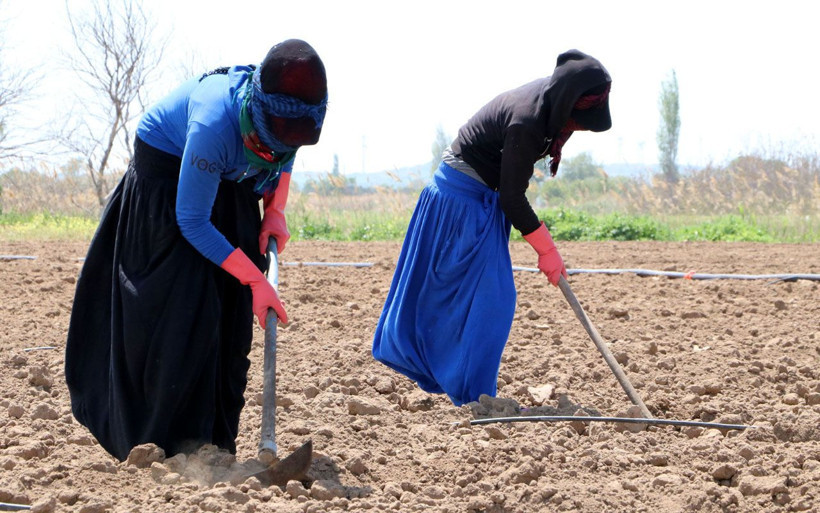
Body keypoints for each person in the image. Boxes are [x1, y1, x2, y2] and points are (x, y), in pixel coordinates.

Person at [65, 39, 328, 461]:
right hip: (168, 181)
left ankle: (213, 448)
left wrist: (275, 210)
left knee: (230, 315)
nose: (286, 145)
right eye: (277, 135)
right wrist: (256, 280)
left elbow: (284, 154)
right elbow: (191, 220)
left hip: (235, 178)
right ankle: (163, 449)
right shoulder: (213, 122)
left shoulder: (287, 123)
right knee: (188, 312)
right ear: (258, 112)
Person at [372, 49, 611, 406]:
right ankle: (476, 398)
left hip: (479, 198)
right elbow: (512, 197)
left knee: (484, 297)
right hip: (459, 202)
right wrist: (546, 249)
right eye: (579, 120)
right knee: (491, 301)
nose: (578, 128)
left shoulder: (550, 107)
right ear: (567, 105)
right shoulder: (527, 120)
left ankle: (471, 392)